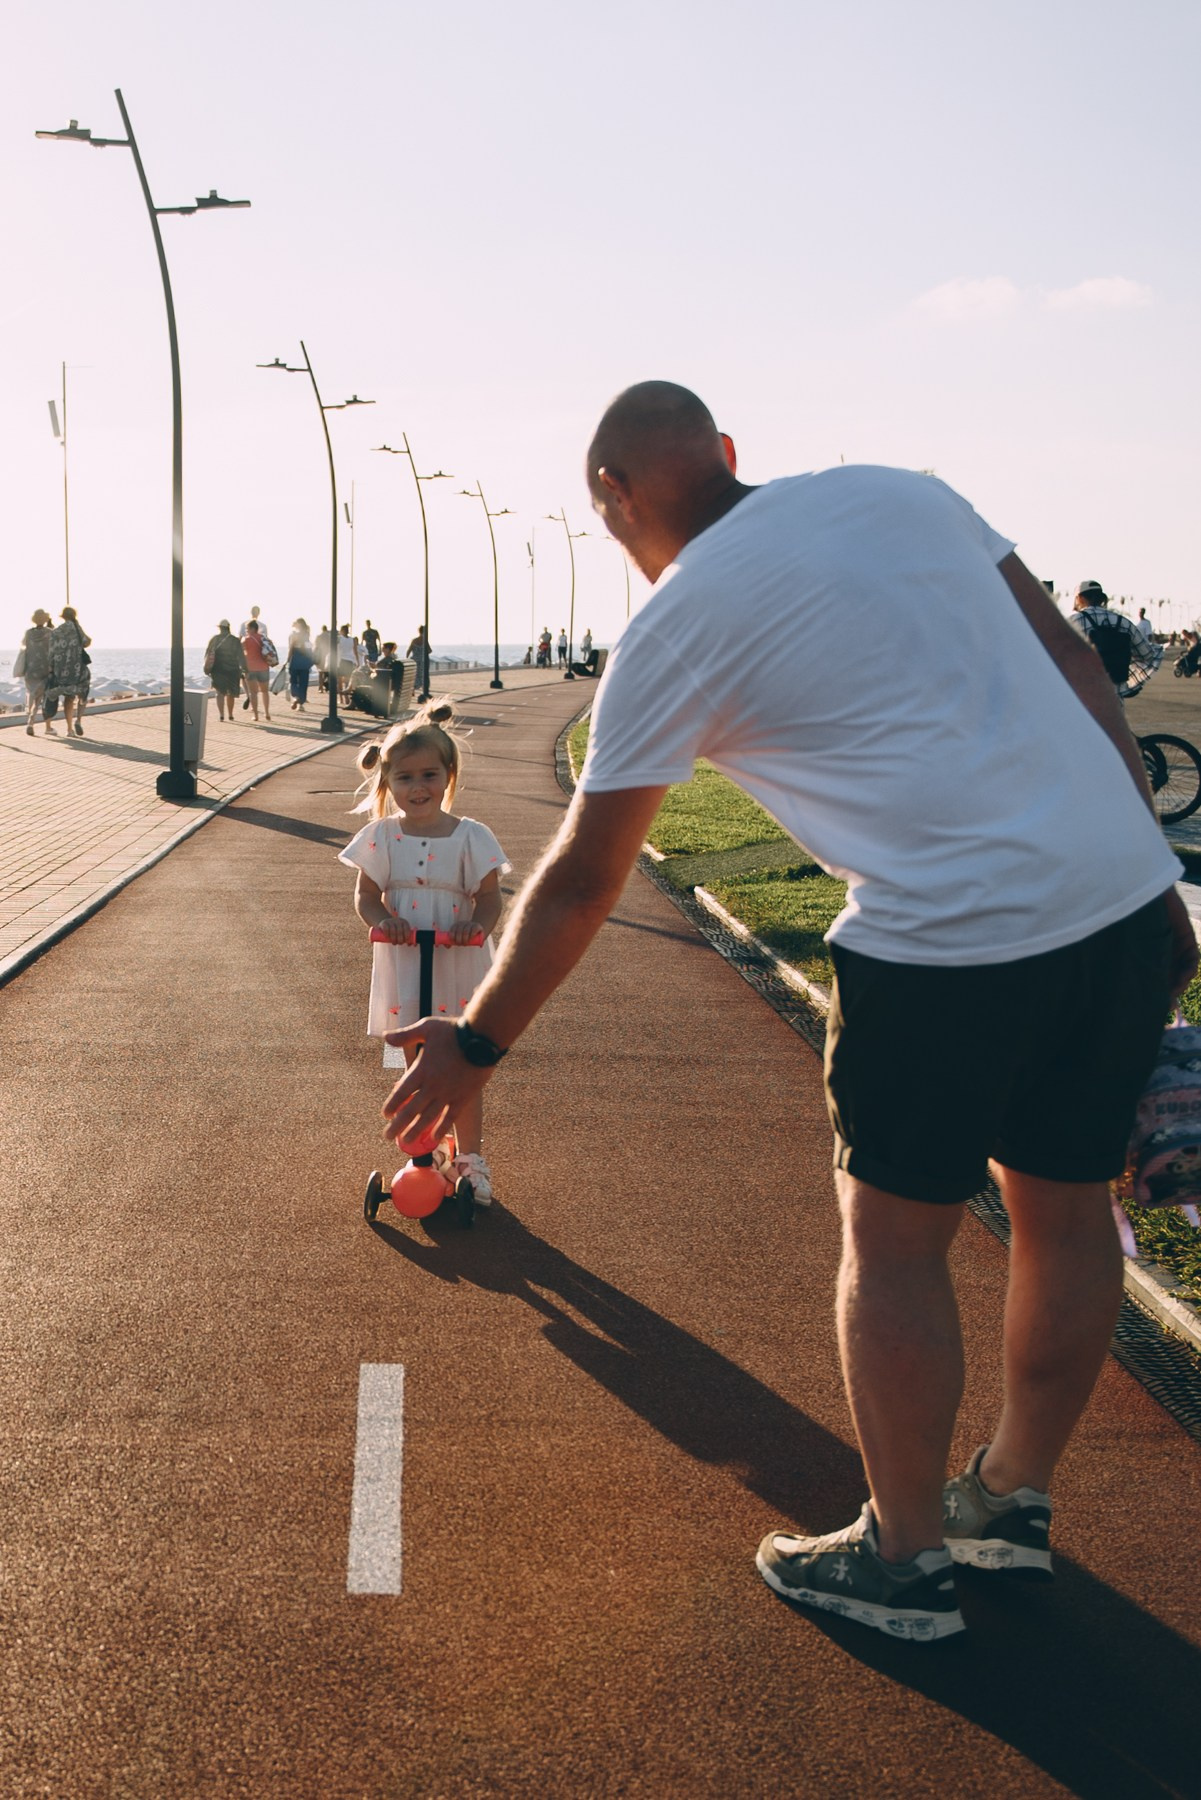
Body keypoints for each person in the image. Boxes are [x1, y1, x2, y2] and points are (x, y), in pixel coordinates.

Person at [381, 380, 1194, 1643]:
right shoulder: (899, 492)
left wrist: (475, 1038)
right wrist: (1147, 867)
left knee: (900, 1244)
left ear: (612, 498)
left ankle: (906, 1560)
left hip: (944, 949)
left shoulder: (670, 632)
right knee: (1066, 1203)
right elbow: (1073, 658)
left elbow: (589, 877)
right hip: (1121, 901)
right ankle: (1012, 1500)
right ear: (729, 454)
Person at [338, 700, 509, 1205]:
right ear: (387, 783)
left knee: (460, 1061)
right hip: (407, 957)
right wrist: (382, 920)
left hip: (457, 958)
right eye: (406, 778)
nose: (419, 788)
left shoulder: (471, 836)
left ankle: (470, 1156)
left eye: (430, 775)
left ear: (448, 775)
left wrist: (475, 925)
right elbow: (367, 895)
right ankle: (422, 1151)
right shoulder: (381, 837)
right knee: (416, 1063)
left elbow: (491, 896)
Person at [1070, 579, 1162, 698]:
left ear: (1080, 598)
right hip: (1114, 699)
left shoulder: (1073, 622)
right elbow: (1147, 654)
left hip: (1083, 694)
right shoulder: (1123, 622)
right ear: (1101, 598)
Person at [45, 605, 91, 737]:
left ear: (63, 617)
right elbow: (86, 642)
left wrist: (51, 668)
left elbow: (51, 652)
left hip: (61, 670)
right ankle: (78, 720)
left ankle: (69, 729)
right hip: (77, 668)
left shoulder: (56, 631)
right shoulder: (76, 628)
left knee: (68, 698)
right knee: (83, 692)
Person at [18, 608, 54, 736]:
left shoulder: (28, 633)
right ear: (45, 620)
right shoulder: (50, 632)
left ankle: (30, 722)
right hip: (45, 670)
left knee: (32, 696)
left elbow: (23, 645)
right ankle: (46, 726)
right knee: (44, 699)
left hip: (30, 670)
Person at [204, 620, 246, 721]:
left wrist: (207, 668)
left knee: (219, 692)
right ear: (228, 628)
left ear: (220, 628)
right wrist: (244, 669)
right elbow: (241, 656)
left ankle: (221, 715)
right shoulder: (235, 640)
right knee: (230, 693)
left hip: (218, 670)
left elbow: (208, 654)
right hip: (233, 670)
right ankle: (230, 714)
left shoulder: (214, 639)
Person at [240, 619, 272, 722]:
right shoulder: (264, 638)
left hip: (251, 669)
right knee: (265, 691)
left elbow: (241, 654)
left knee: (253, 693)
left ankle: (256, 715)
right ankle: (267, 713)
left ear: (252, 629)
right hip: (263, 668)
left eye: (247, 629)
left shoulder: (246, 640)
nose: (246, 631)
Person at [287, 619, 314, 712]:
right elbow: (310, 650)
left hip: (295, 662)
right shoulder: (307, 635)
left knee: (294, 682)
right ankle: (300, 704)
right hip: (305, 663)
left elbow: (291, 649)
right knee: (303, 684)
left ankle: (295, 697)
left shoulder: (295, 635)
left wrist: (287, 659)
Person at [406, 625, 431, 699]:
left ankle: (412, 690)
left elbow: (409, 650)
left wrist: (407, 659)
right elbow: (429, 650)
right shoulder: (425, 640)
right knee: (423, 675)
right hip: (422, 661)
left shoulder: (414, 640)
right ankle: (425, 690)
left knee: (414, 675)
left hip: (415, 660)